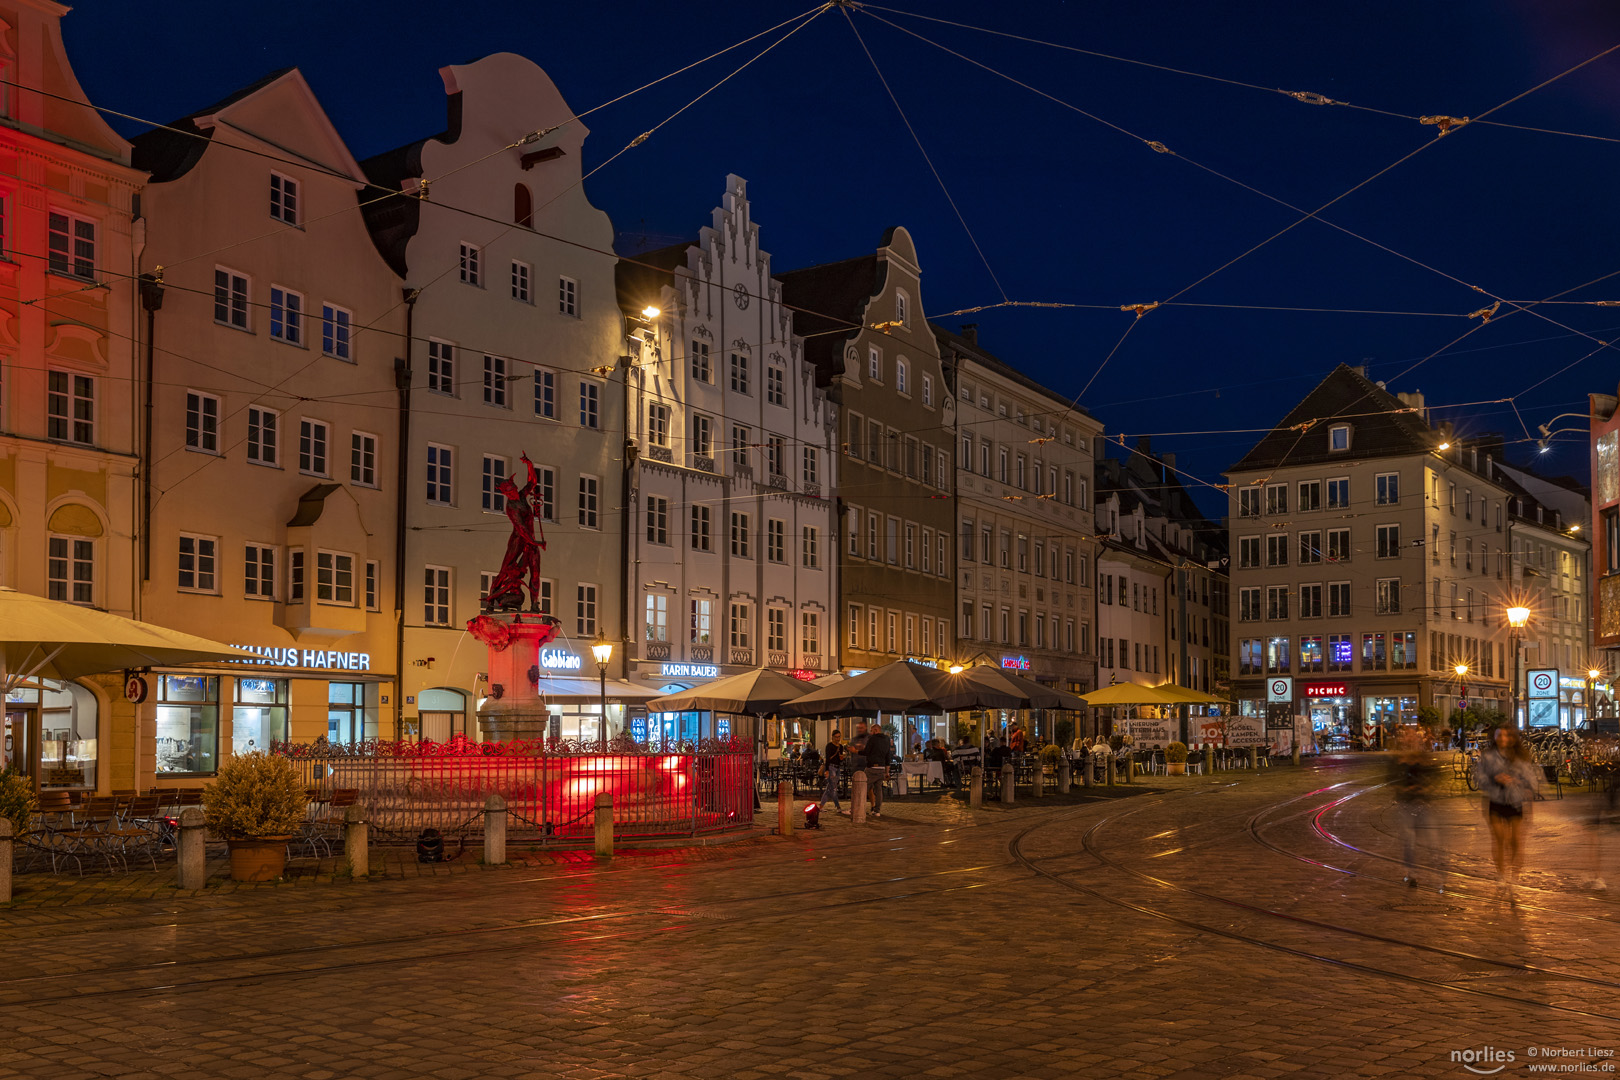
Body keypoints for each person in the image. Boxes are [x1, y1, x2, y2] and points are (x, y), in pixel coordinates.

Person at [1473, 725, 1541, 900]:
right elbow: (1480, 778)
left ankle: (1514, 878)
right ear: (1495, 737)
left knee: (1516, 841)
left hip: (1516, 802)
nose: (1502, 738)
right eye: (1499, 735)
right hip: (1496, 800)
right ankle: (1502, 876)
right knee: (1499, 839)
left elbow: (1531, 778)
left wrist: (1522, 785)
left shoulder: (1519, 756)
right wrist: (1495, 779)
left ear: (1511, 738)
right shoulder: (1488, 756)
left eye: (1505, 735)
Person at [1388, 727, 1444, 892]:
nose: (1412, 741)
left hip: (1423, 803)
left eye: (1414, 738)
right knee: (1410, 840)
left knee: (1433, 840)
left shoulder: (1423, 758)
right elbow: (1391, 778)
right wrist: (1402, 788)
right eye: (1409, 738)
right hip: (1405, 804)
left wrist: (1426, 788)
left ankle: (1439, 875)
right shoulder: (1398, 760)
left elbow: (1435, 775)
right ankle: (1412, 873)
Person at [864, 722, 893, 817]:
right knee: (879, 789)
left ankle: (857, 808)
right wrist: (887, 771)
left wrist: (856, 751)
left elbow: (866, 752)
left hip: (872, 767)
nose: (871, 733)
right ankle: (877, 811)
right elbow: (888, 756)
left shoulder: (872, 739)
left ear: (876, 730)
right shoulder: (887, 739)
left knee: (863, 787)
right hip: (881, 768)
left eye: (871, 731)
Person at [820, 729, 844, 813]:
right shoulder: (829, 746)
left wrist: (841, 758)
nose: (838, 739)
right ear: (832, 737)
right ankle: (838, 807)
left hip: (837, 768)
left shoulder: (841, 746)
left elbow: (840, 759)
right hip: (831, 768)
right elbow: (828, 759)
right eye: (836, 737)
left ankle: (820, 807)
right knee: (833, 788)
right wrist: (827, 770)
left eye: (839, 737)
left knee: (830, 789)